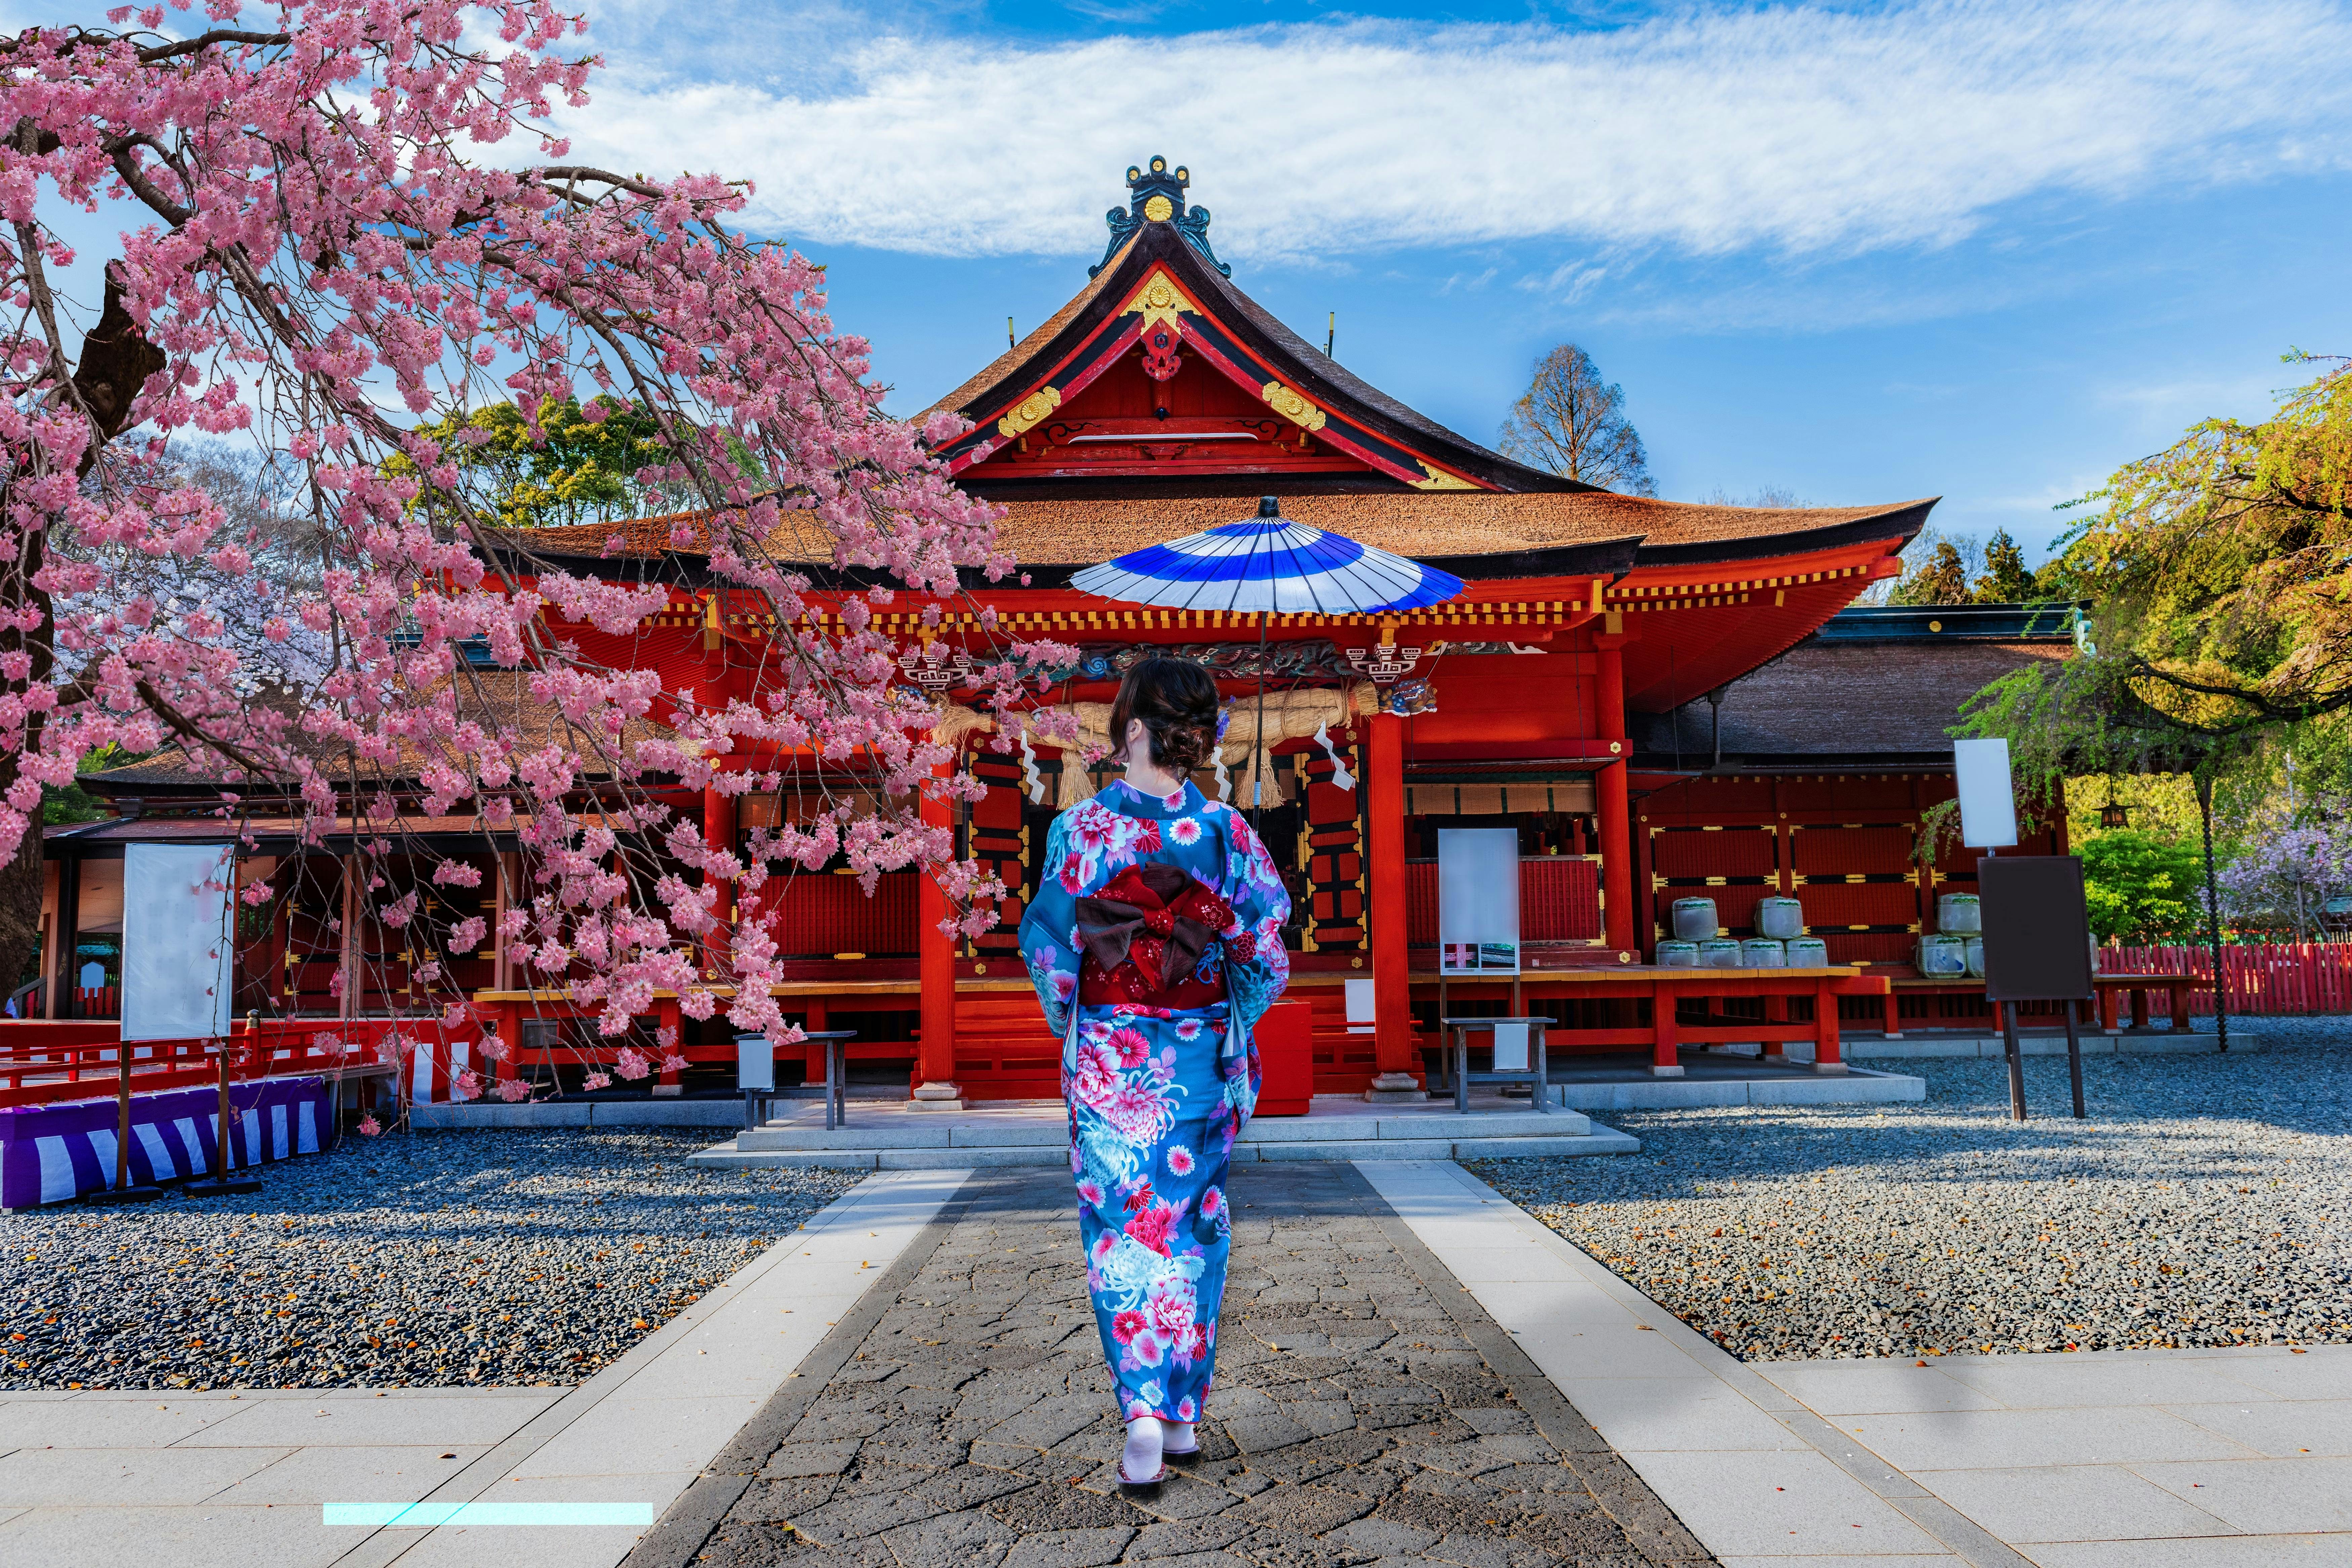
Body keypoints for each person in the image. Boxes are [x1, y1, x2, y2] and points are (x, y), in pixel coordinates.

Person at [1018, 657, 1291, 1491]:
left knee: (1119, 1229)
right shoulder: (1226, 833)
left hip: (1111, 1058)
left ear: (1132, 729)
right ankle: (1179, 1414)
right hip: (1199, 1054)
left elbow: (1049, 949)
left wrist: (1080, 1012)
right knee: (1193, 1220)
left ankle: (1142, 1410)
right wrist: (1220, 997)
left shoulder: (1079, 831)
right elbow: (1265, 953)